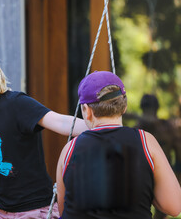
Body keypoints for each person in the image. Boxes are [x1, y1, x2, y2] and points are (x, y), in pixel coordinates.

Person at [0, 44, 88, 219]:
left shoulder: (17, 103)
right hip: (0, 207)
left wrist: (101, 125)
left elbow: (59, 121)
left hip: (33, 207)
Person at [56, 71, 181, 219]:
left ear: (87, 111)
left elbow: (63, 209)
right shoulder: (146, 142)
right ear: (124, 107)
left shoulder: (69, 150)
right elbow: (174, 207)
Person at [136, 94, 181, 219]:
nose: (149, 111)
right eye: (146, 107)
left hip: (162, 174)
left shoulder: (167, 128)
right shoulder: (136, 130)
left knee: (162, 212)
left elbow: (178, 151)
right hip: (141, 175)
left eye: (150, 107)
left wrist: (177, 174)